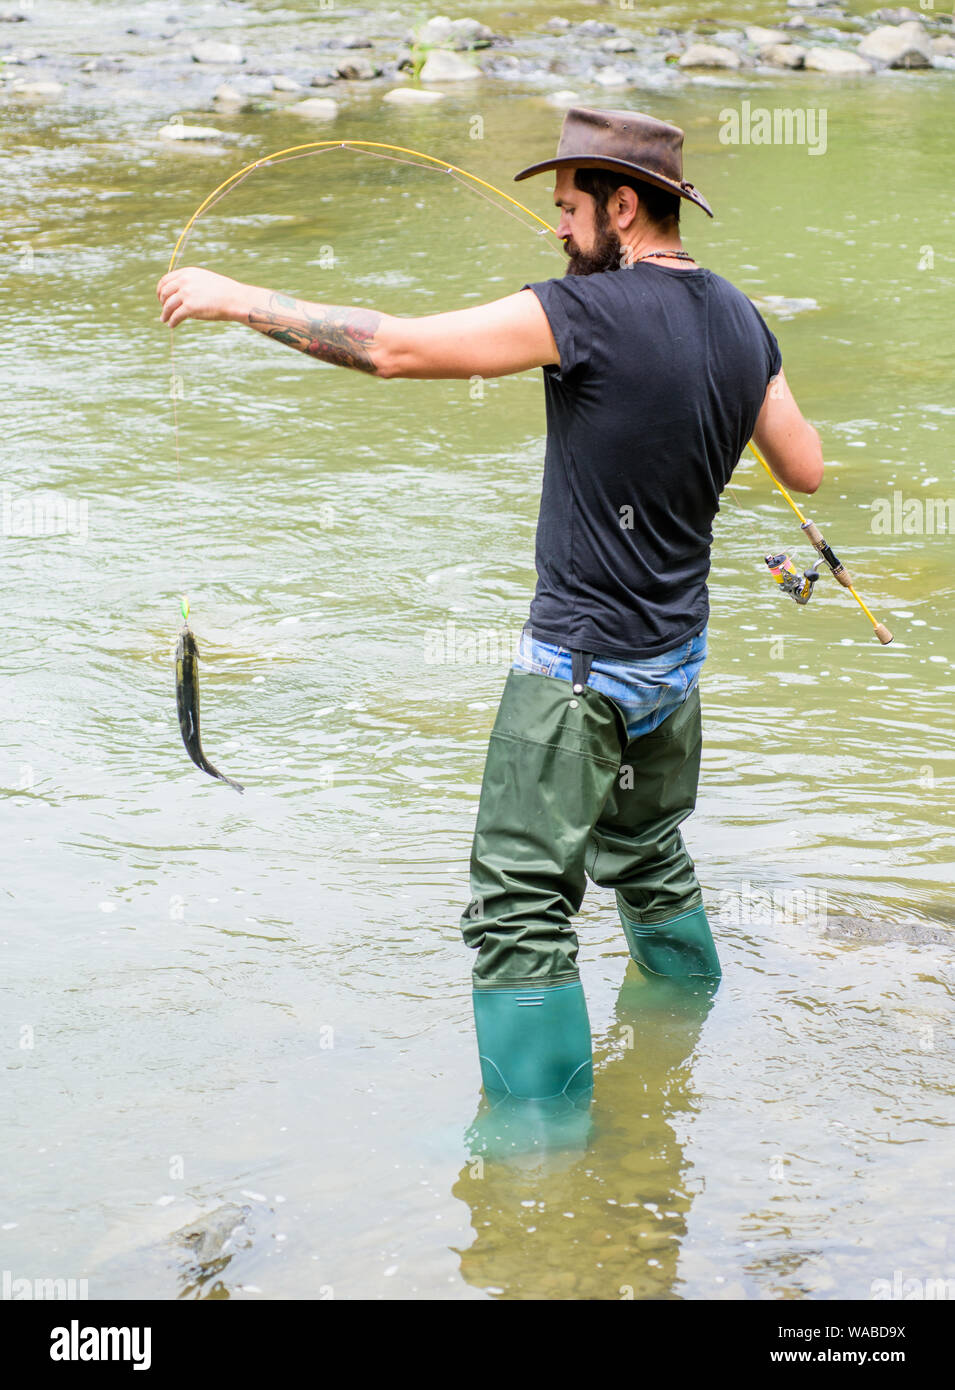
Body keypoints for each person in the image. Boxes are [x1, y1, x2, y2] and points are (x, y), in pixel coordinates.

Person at [157, 106, 823, 1111]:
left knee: (519, 911)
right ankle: (684, 1038)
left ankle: (536, 1157)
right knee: (646, 853)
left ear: (624, 206)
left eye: (567, 209)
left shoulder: (582, 313)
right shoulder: (741, 317)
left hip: (577, 683)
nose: (558, 230)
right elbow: (804, 470)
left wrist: (235, 297)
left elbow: (394, 349)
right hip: (672, 674)